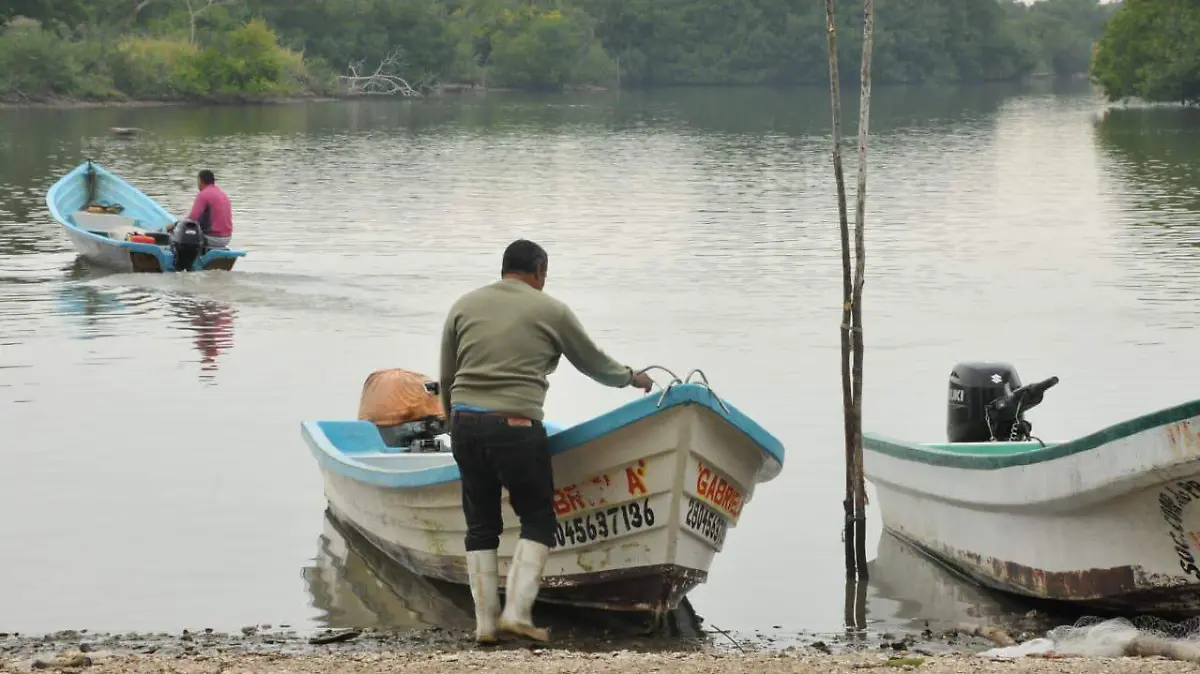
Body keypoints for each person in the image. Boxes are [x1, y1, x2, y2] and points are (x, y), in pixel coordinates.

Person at [439, 239, 654, 644]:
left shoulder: (463, 305)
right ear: (538, 271)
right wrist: (632, 377)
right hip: (516, 426)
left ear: (504, 269)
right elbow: (593, 363)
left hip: (465, 423)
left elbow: (448, 376)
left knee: (481, 525)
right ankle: (517, 613)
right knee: (538, 519)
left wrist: (453, 423)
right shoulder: (551, 310)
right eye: (545, 274)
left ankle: (485, 625)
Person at [169, 169, 233, 248]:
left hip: (213, 238)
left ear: (200, 181)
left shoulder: (203, 195)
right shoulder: (222, 194)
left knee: (176, 235)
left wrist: (175, 225)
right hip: (227, 238)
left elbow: (192, 219)